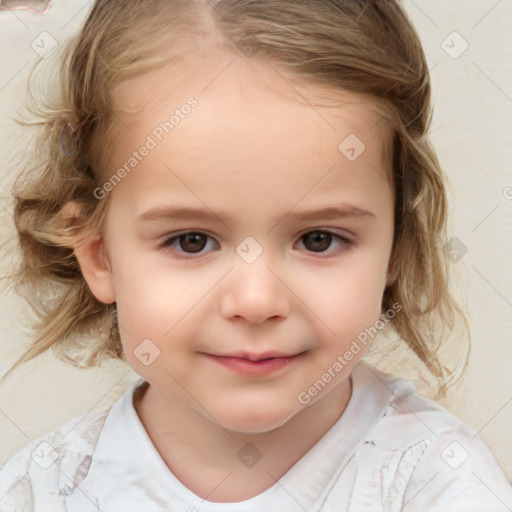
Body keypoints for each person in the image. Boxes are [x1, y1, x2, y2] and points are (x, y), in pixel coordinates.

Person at [1, 1, 511, 510]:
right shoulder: (41, 492)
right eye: (191, 241)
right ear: (99, 256)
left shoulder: (439, 485)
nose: (257, 300)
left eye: (319, 239)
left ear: (396, 246)